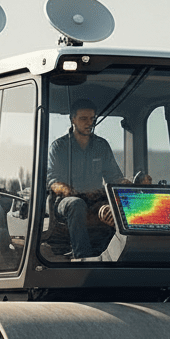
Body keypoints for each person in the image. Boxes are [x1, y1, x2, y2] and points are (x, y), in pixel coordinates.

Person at [47, 98, 128, 259]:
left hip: (95, 199)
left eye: (92, 119)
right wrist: (67, 190)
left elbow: (114, 177)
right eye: (84, 118)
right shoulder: (59, 147)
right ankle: (82, 257)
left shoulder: (101, 146)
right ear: (73, 120)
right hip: (66, 202)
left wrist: (130, 185)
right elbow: (52, 180)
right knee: (76, 204)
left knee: (120, 205)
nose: (89, 123)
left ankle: (120, 257)